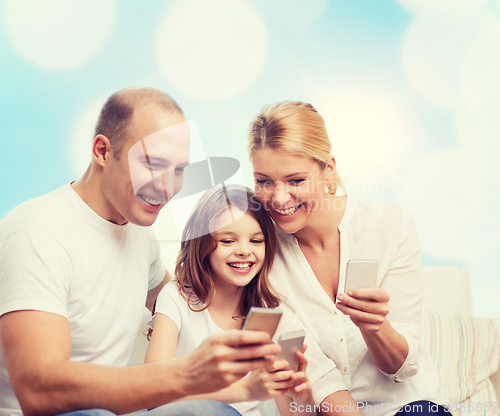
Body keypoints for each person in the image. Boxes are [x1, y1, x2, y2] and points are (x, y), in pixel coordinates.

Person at [0, 87, 280, 416]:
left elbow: (175, 294)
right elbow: (38, 390)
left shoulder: (137, 230)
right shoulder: (37, 233)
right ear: (103, 151)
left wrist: (238, 296)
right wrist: (189, 374)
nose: (167, 187)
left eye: (179, 171)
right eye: (153, 163)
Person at [247, 101, 448, 416]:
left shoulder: (391, 226)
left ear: (329, 170)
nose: (279, 198)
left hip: (407, 407)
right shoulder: (260, 256)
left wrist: (374, 327)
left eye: (295, 181)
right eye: (264, 181)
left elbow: (402, 367)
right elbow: (310, 372)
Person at [145, 185, 317, 416]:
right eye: (228, 241)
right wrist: (242, 390)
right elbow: (153, 393)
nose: (245, 251)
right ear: (203, 245)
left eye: (256, 241)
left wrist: (302, 401)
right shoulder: (176, 298)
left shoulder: (273, 314)